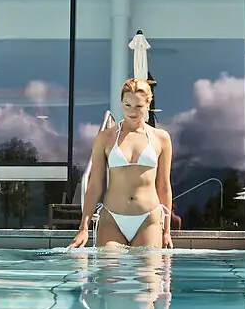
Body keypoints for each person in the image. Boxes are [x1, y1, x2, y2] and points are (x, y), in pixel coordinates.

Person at [69, 78, 173, 250]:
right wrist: (83, 227)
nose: (132, 111)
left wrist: (167, 231)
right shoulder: (105, 137)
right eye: (127, 105)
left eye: (139, 106)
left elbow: (164, 185)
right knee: (109, 273)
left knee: (149, 275)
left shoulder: (161, 138)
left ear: (148, 103)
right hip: (112, 218)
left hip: (148, 219)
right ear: (121, 103)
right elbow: (94, 185)